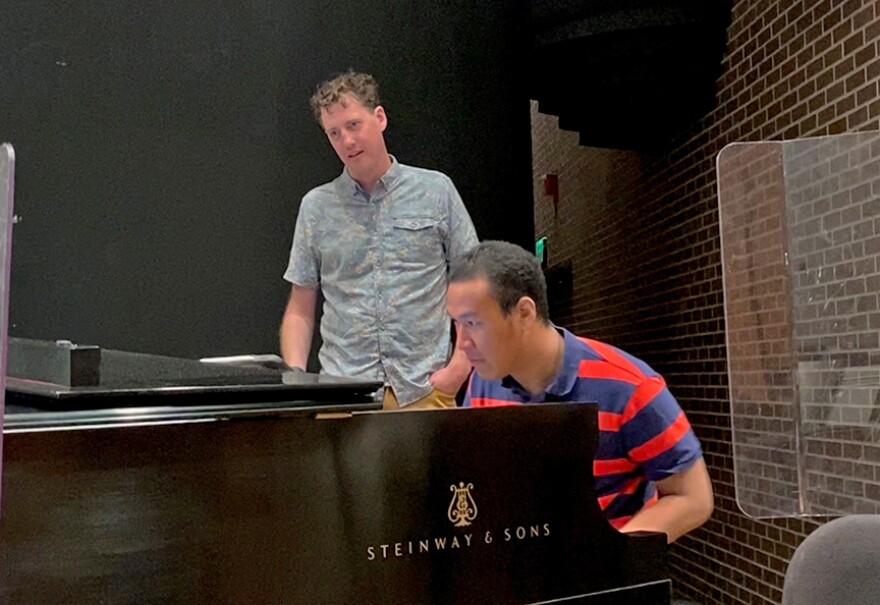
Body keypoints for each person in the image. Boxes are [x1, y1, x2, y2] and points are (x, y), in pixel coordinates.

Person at [446, 240, 714, 542]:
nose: (463, 342)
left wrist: (607, 558)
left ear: (524, 312)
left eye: (472, 323)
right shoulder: (483, 381)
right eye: (456, 324)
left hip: (602, 579)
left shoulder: (629, 387)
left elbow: (693, 498)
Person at [281, 70, 478, 410]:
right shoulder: (316, 207)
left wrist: (460, 365)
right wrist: (296, 378)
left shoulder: (436, 191)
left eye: (353, 125)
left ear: (380, 118)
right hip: (342, 395)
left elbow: (472, 282)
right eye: (334, 133)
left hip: (424, 389)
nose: (346, 141)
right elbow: (301, 306)